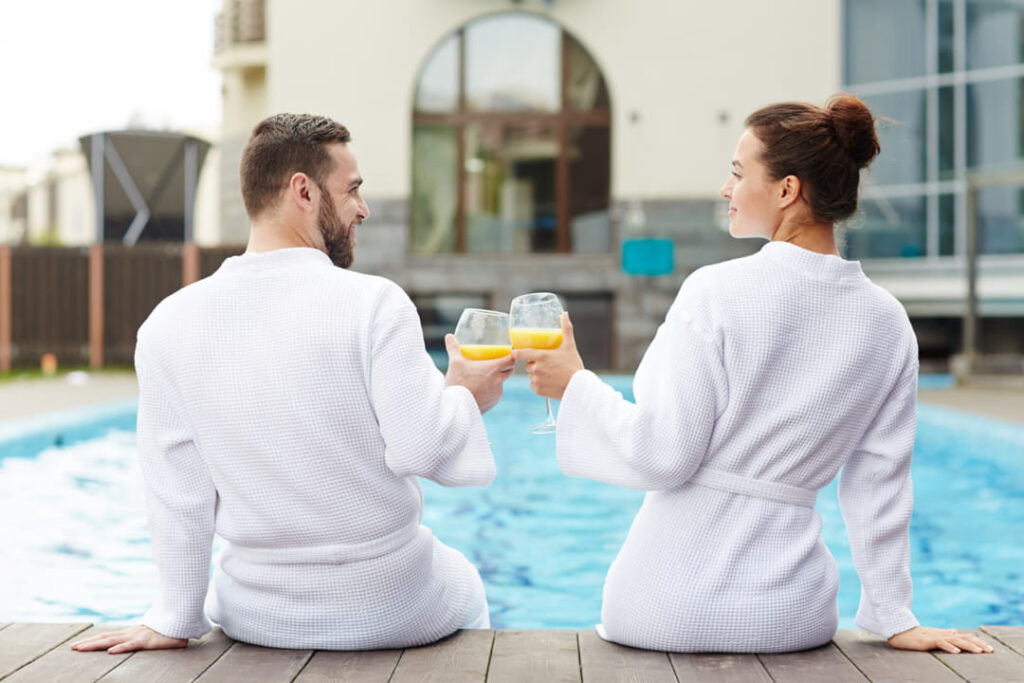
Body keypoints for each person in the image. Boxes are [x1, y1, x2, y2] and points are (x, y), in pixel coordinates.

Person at [515, 95, 994, 655]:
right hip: (794, 615)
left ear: (787, 190)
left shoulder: (715, 291)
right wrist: (894, 616)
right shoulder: (887, 321)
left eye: (738, 172)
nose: (726, 188)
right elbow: (880, 484)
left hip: (666, 606)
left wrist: (575, 384)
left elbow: (661, 456)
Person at [72, 114, 514, 654]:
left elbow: (178, 494)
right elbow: (421, 448)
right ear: (302, 191)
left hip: (259, 614)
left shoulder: (167, 323)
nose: (363, 209)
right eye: (352, 190)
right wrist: (466, 393)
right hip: (390, 605)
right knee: (466, 582)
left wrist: (173, 617)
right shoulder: (374, 303)